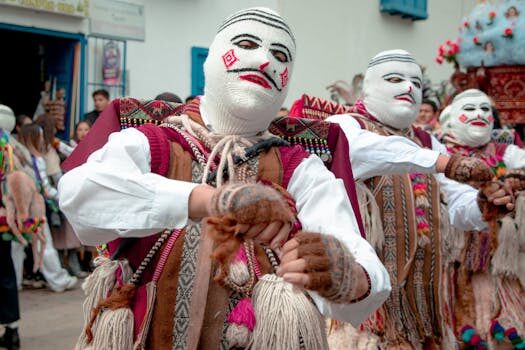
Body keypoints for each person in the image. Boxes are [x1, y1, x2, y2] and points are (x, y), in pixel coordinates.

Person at [59, 8, 390, 349]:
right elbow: (79, 195)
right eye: (247, 44)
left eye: (280, 55)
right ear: (213, 58)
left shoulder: (300, 167)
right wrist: (210, 200)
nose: (265, 62)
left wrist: (351, 277)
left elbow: (360, 258)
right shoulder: (153, 142)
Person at [326, 49, 513, 348]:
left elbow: (457, 204)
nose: (408, 88)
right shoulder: (346, 126)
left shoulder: (426, 141)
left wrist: (484, 205)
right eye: (395, 79)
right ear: (369, 88)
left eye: (416, 82)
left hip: (422, 307)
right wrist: (445, 162)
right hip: (362, 309)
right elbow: (376, 151)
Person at [437, 88, 525, 348]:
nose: (479, 114)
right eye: (470, 109)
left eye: (485, 109)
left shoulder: (505, 151)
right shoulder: (439, 153)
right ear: (451, 118)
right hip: (454, 258)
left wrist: (515, 180)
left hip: (502, 258)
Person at [19, 124, 78, 292]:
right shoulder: (35, 159)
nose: (43, 140)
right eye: (40, 136)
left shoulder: (17, 156)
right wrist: (65, 196)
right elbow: (45, 188)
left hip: (19, 208)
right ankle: (58, 280)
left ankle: (14, 283)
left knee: (16, 248)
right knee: (43, 244)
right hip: (33, 209)